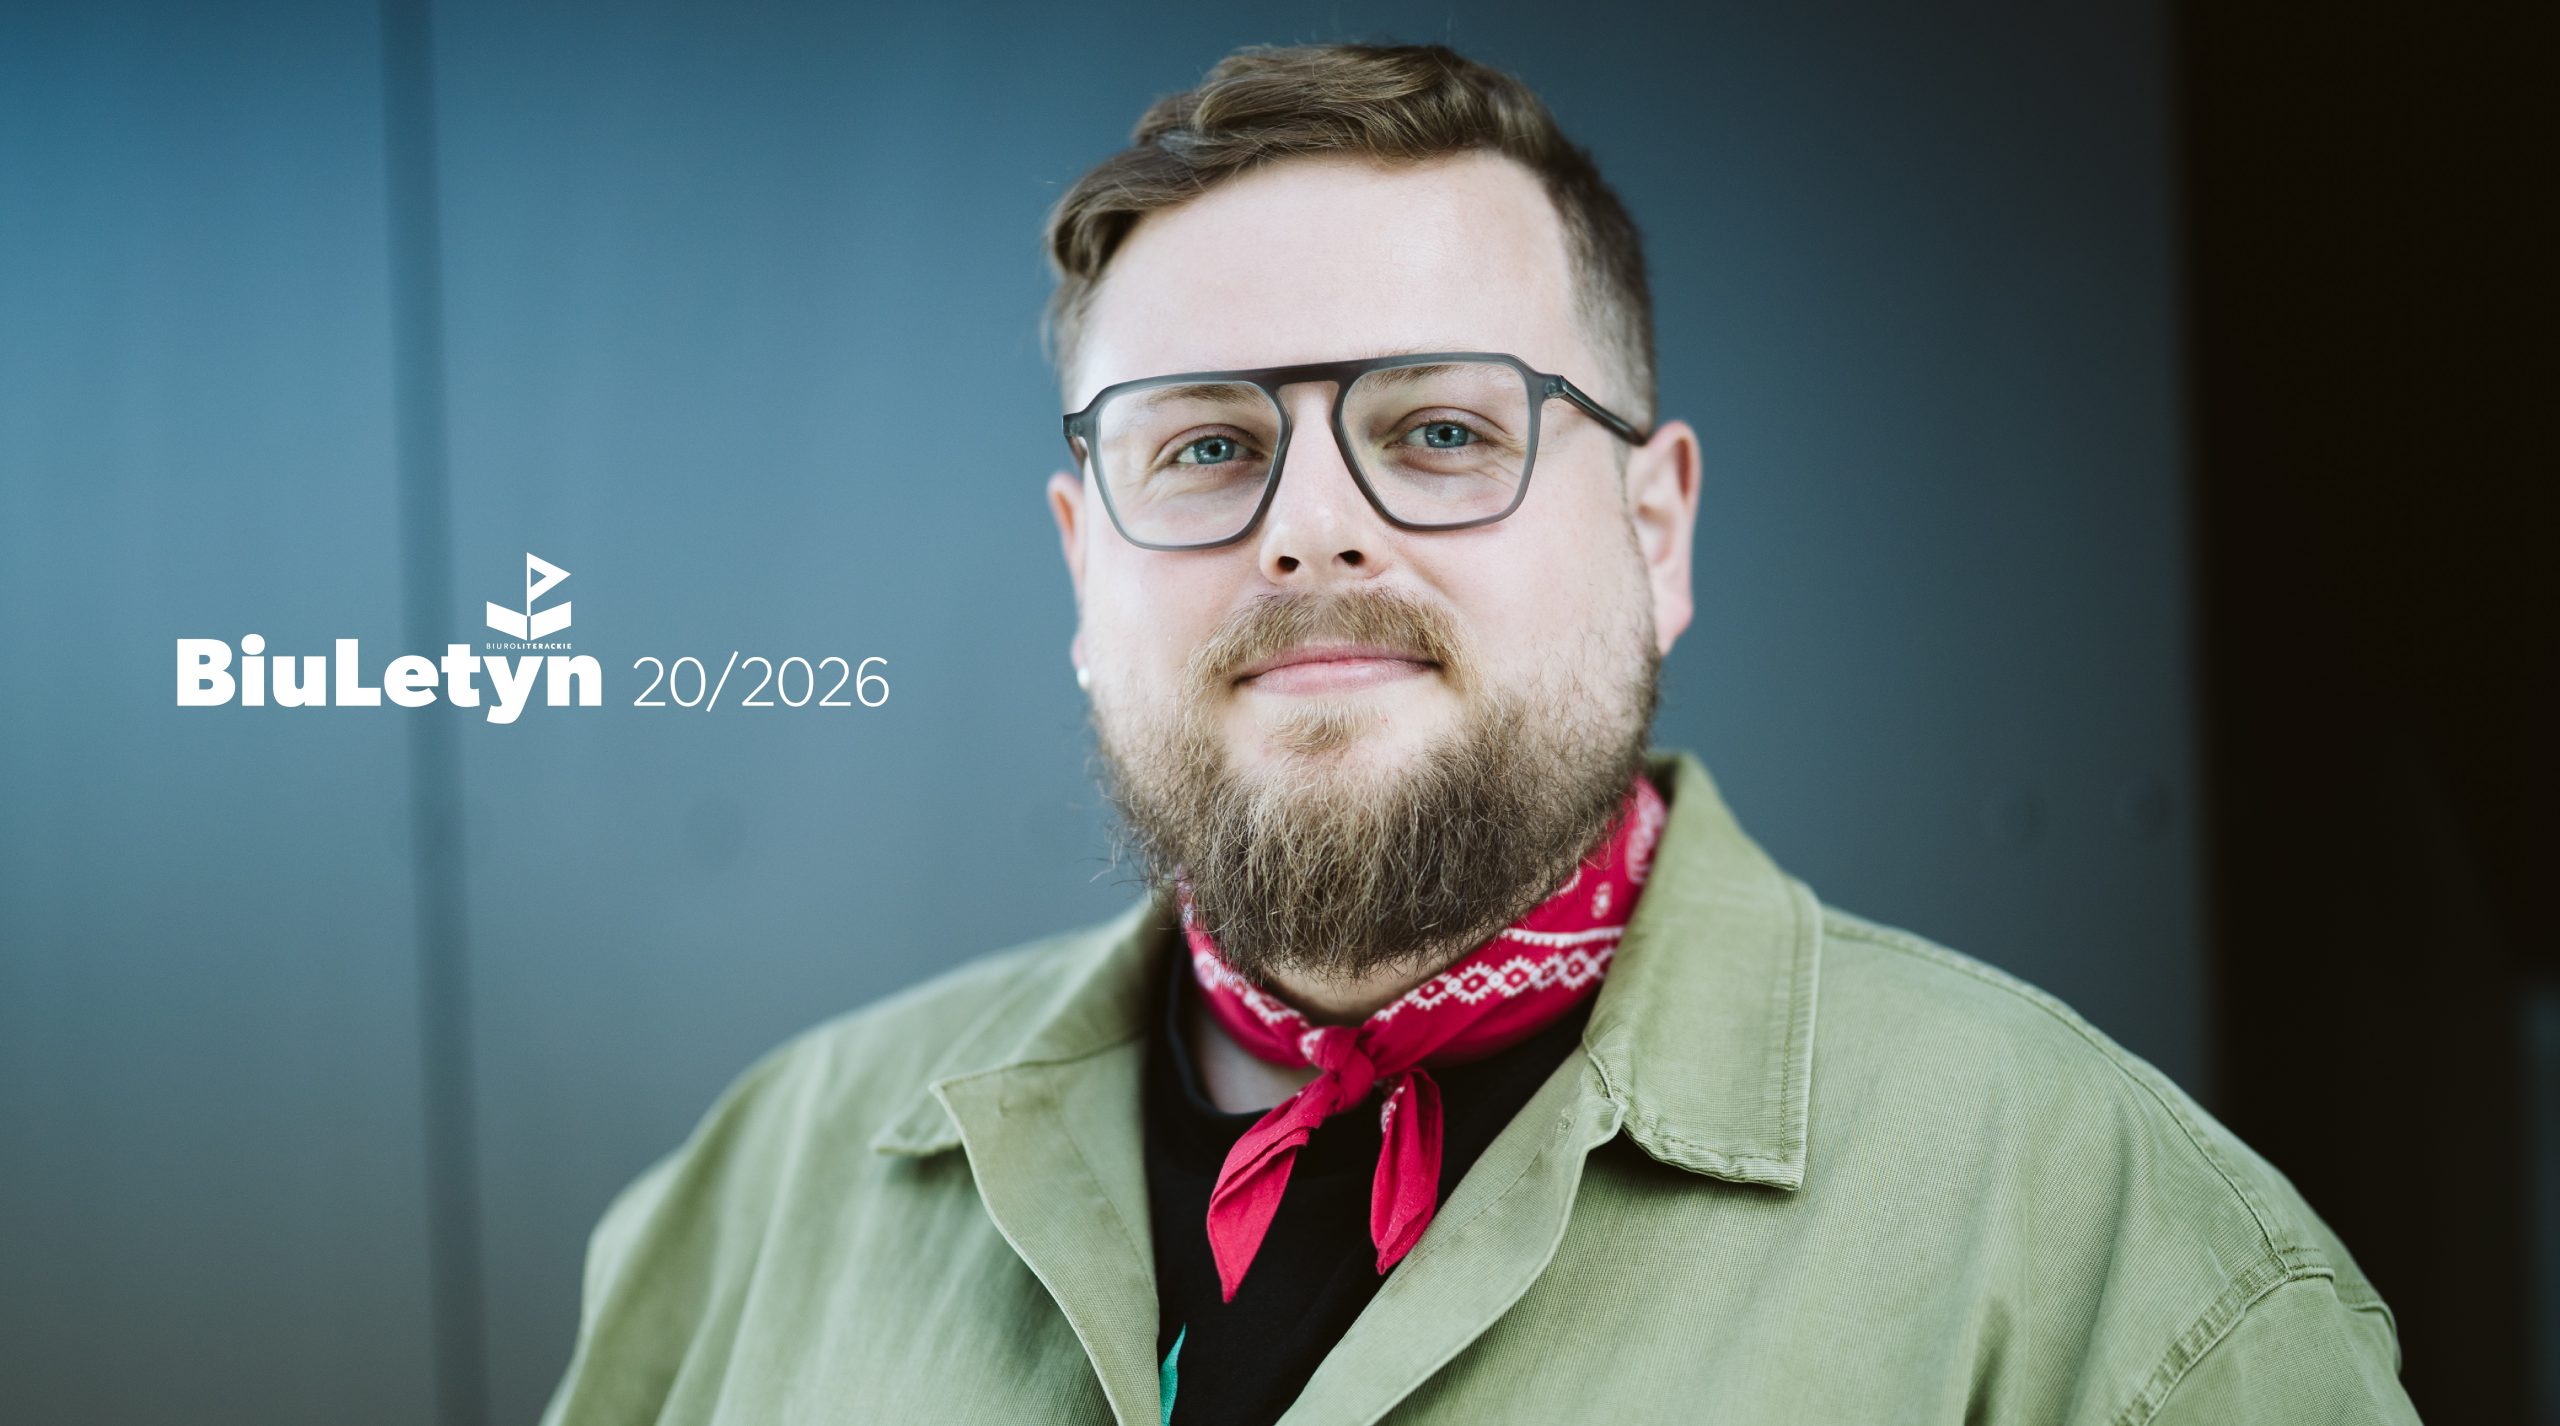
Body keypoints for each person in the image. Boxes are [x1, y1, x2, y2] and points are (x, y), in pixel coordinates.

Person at [538, 42, 2420, 1426]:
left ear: (1657, 533)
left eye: (1441, 430)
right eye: (1205, 447)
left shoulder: (2106, 1247)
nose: (1308, 528)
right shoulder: (759, 1196)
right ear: (1082, 564)